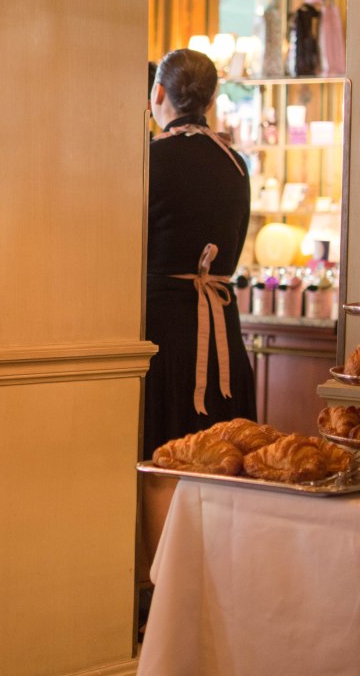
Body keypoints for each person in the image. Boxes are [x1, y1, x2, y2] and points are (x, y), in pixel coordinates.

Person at [144, 48, 256, 459]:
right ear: (211, 100)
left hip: (162, 338)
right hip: (222, 331)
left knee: (166, 457)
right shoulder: (236, 165)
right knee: (223, 458)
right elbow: (238, 244)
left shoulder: (148, 160)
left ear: (159, 94)